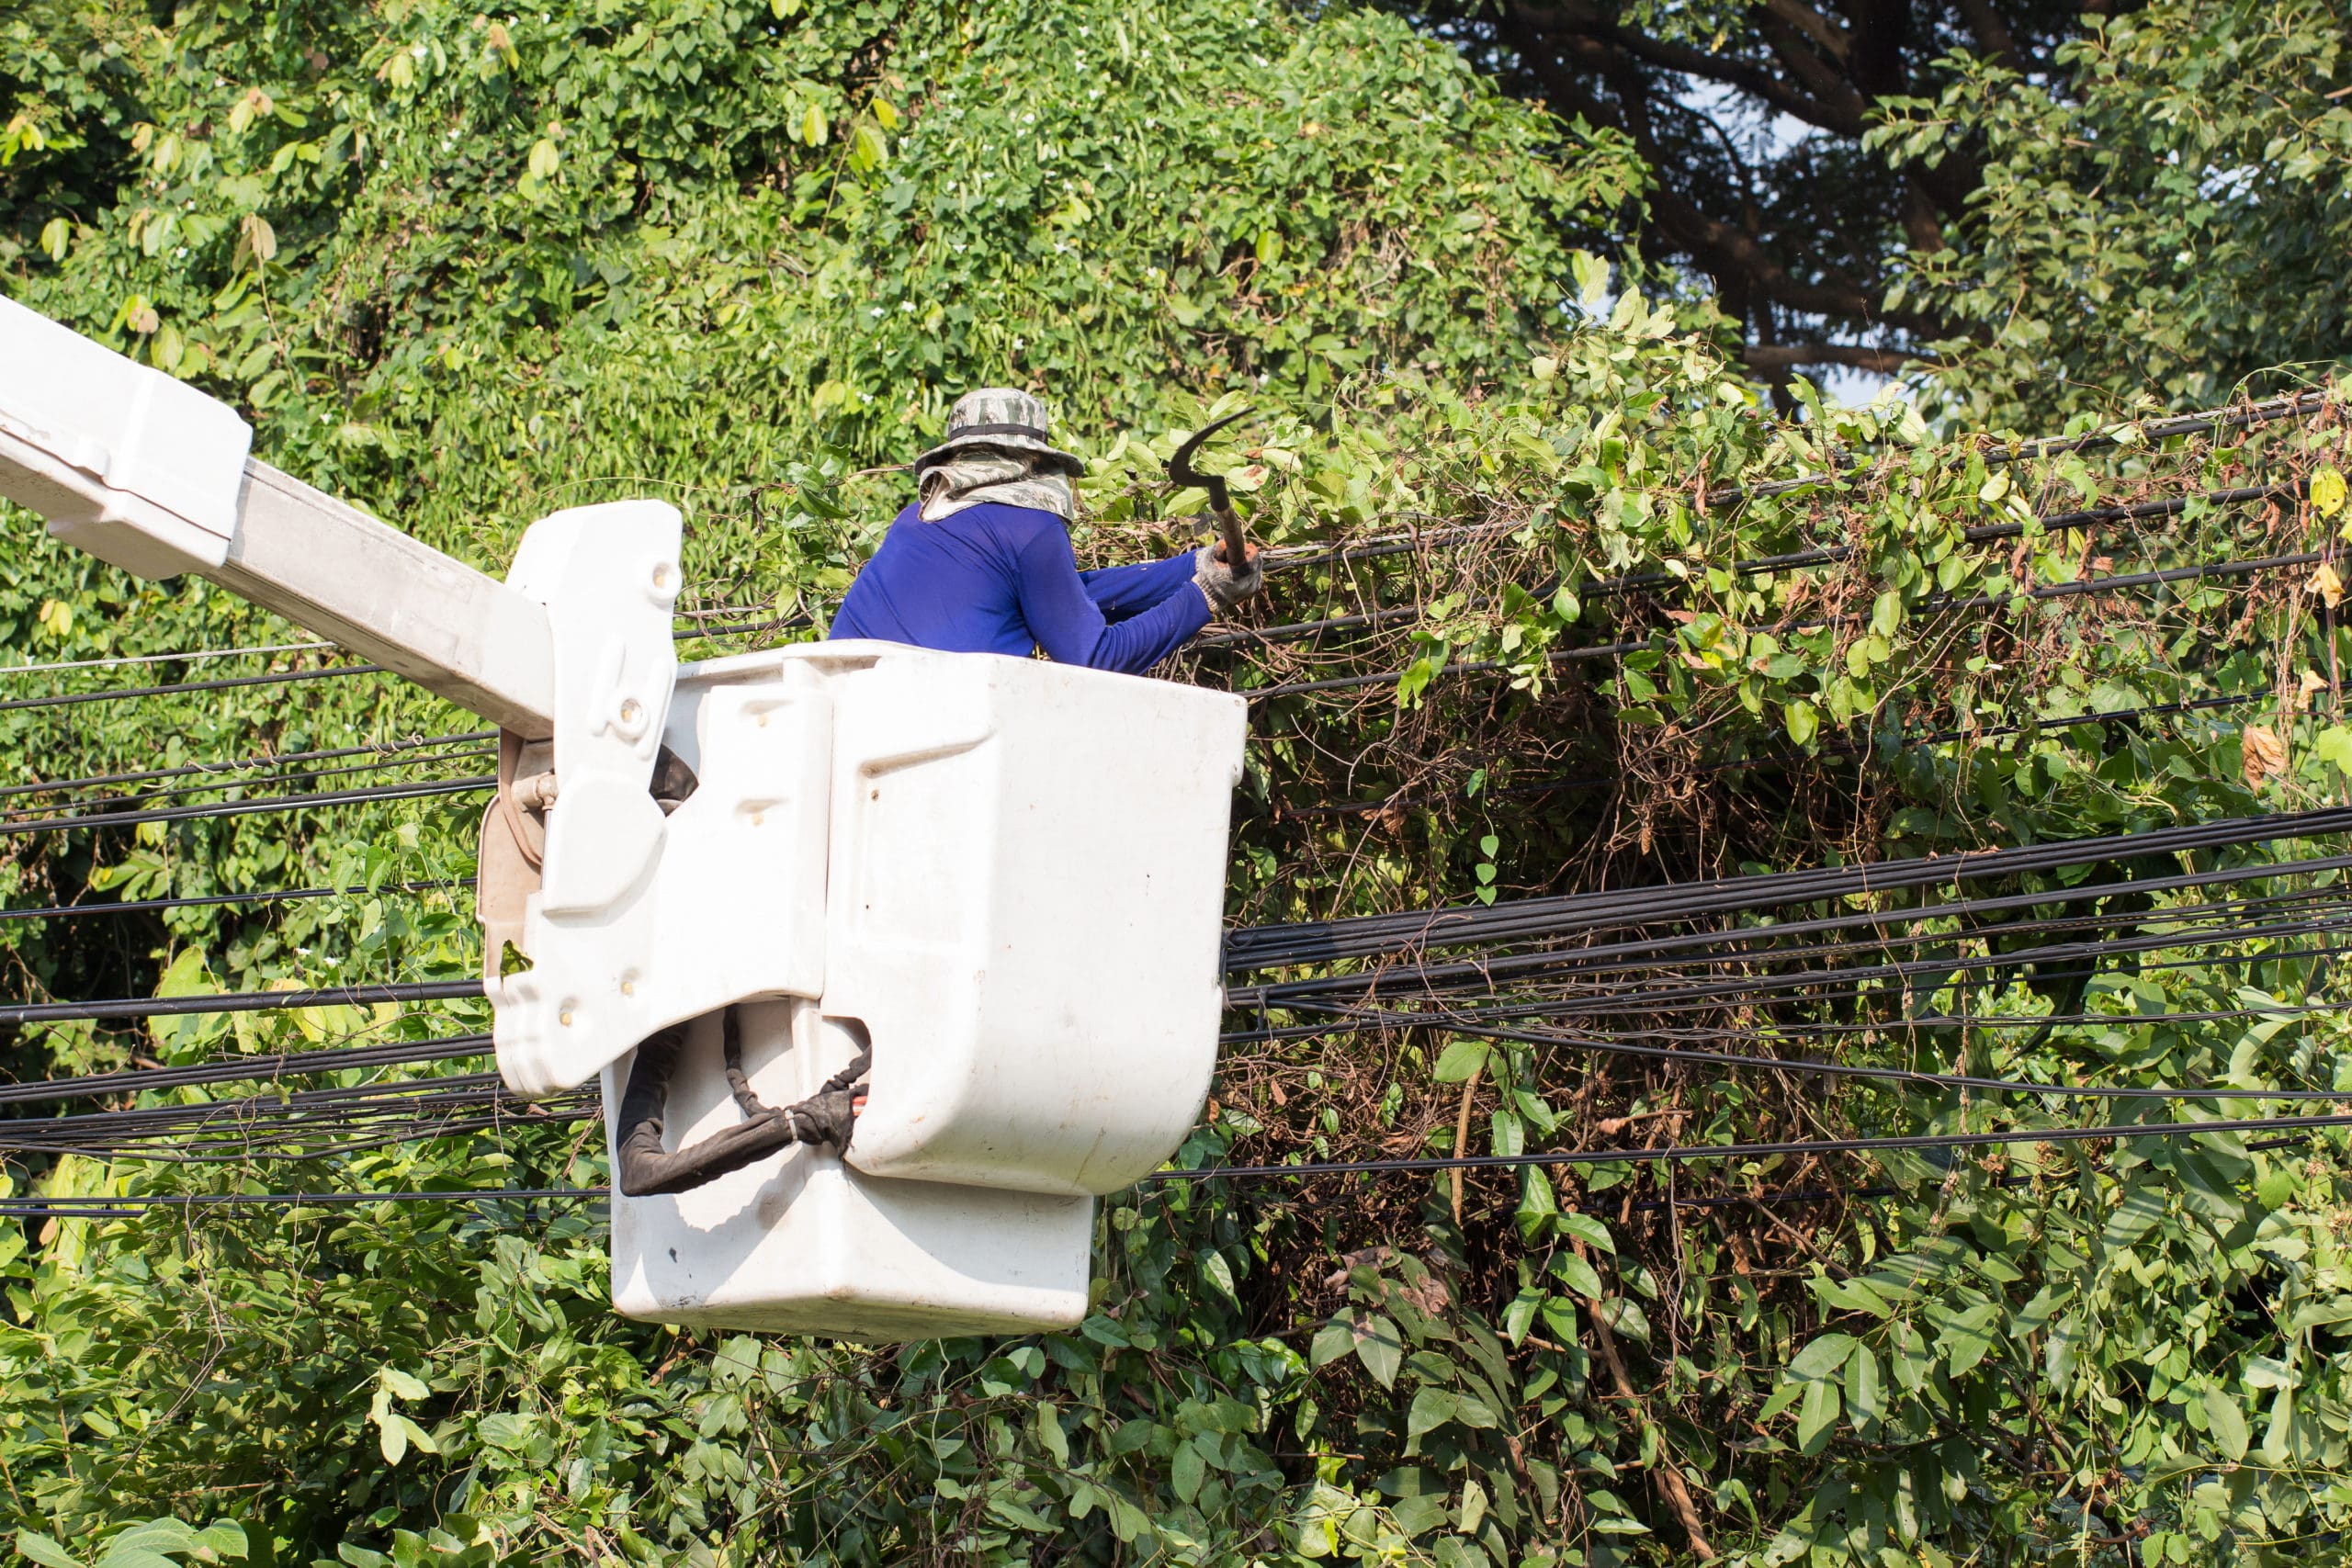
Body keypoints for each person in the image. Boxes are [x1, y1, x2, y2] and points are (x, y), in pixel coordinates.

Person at [829, 389, 1263, 673]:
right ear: (1032, 459)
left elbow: (1064, 594)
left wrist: (1194, 565)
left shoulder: (914, 517)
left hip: (846, 695)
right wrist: (1206, 596)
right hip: (938, 723)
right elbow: (1094, 656)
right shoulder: (1029, 526)